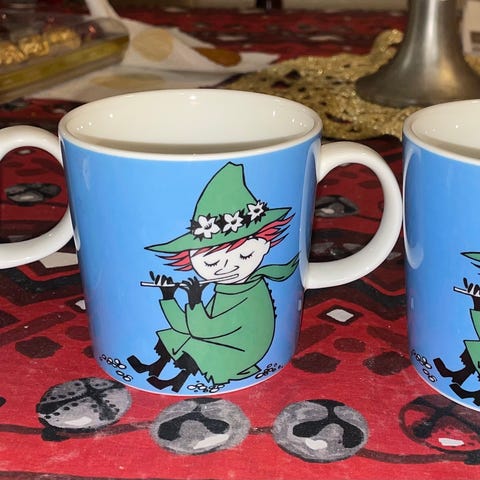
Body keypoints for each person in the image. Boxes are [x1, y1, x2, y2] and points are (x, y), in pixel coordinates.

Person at [128, 162, 298, 392]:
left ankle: (175, 380)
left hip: (242, 352)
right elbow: (186, 326)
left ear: (264, 245)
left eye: (245, 255)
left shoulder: (250, 292)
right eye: (211, 263)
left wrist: (194, 301)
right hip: (223, 340)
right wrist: (168, 296)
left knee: (195, 344)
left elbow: (203, 330)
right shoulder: (226, 289)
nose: (225, 269)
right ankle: (156, 367)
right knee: (177, 335)